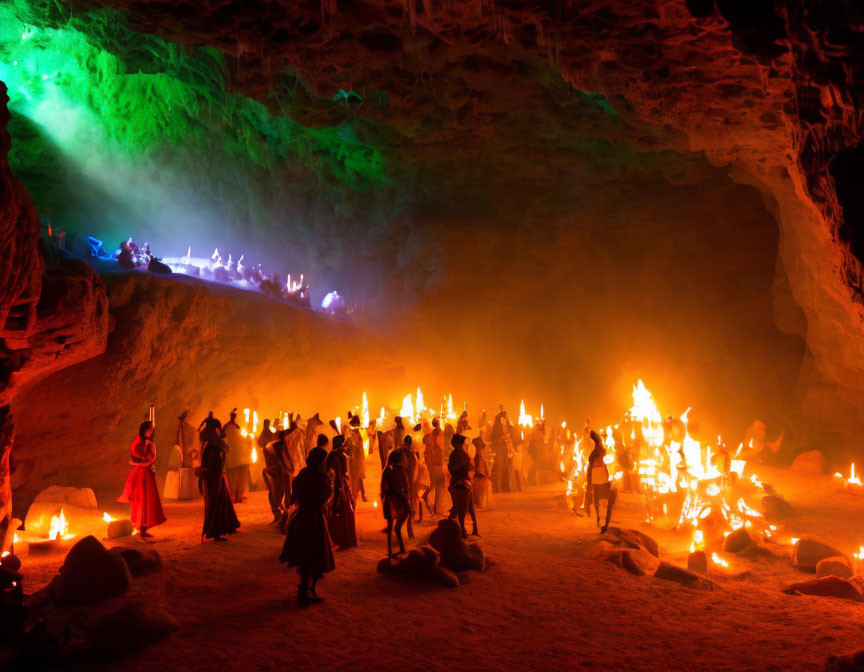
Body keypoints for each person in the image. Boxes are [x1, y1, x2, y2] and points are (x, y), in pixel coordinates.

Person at [280, 444, 335, 606]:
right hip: (314, 519)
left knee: (305, 554)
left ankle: (306, 589)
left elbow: (294, 495)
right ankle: (305, 590)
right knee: (313, 555)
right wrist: (330, 485)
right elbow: (324, 499)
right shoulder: (321, 478)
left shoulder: (303, 474)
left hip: (300, 517)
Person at [118, 421, 166, 538]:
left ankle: (144, 528)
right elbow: (139, 454)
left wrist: (149, 447)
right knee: (141, 501)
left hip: (147, 474)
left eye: (151, 430)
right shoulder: (138, 442)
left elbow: (150, 456)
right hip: (141, 475)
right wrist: (147, 447)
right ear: (143, 430)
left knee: (148, 502)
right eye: (148, 430)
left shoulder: (147, 442)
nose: (150, 432)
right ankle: (141, 528)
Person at [198, 422, 241, 542]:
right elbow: (210, 464)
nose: (219, 430)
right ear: (214, 429)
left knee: (224, 502)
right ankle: (214, 532)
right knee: (216, 504)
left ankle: (228, 526)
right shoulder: (212, 446)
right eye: (218, 428)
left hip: (217, 478)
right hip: (213, 479)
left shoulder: (212, 444)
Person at [325, 435, 357, 549]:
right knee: (345, 511)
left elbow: (332, 472)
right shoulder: (341, 456)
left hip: (338, 486)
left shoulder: (333, 456)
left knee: (337, 512)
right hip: (342, 485)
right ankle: (345, 540)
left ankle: (338, 540)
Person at [380, 449, 411, 558]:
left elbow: (383, 487)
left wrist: (383, 497)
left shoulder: (390, 470)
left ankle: (392, 549)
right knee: (394, 526)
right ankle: (395, 549)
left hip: (392, 499)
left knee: (391, 526)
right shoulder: (397, 470)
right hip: (396, 500)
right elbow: (404, 486)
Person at [586, 430, 616, 533]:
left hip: (601, 477)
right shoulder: (596, 452)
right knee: (598, 499)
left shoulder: (601, 451)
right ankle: (600, 520)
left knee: (601, 499)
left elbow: (607, 463)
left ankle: (602, 521)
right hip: (599, 477)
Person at [447, 434, 477, 538]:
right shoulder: (462, 454)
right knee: (466, 509)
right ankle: (465, 531)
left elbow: (450, 468)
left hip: (456, 484)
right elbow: (466, 467)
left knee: (459, 508)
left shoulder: (454, 454)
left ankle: (465, 530)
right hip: (463, 484)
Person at [223, 409, 250, 503]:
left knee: (235, 478)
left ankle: (236, 495)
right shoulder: (233, 427)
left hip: (234, 456)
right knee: (233, 478)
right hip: (233, 456)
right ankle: (234, 496)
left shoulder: (227, 426)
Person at [422, 419, 445, 514]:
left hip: (433, 465)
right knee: (438, 484)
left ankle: (435, 507)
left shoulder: (430, 436)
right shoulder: (438, 435)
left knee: (435, 484)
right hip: (437, 464)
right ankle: (436, 507)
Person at [346, 415, 367, 503]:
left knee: (357, 478)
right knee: (357, 479)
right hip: (356, 460)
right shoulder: (354, 434)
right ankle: (359, 496)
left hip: (357, 459)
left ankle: (359, 496)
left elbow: (356, 447)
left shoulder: (355, 433)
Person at [472, 436, 491, 510]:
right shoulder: (480, 459)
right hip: (480, 478)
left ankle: (477, 504)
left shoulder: (475, 458)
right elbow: (485, 469)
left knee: (478, 495)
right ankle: (479, 505)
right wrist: (489, 475)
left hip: (478, 478)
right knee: (480, 496)